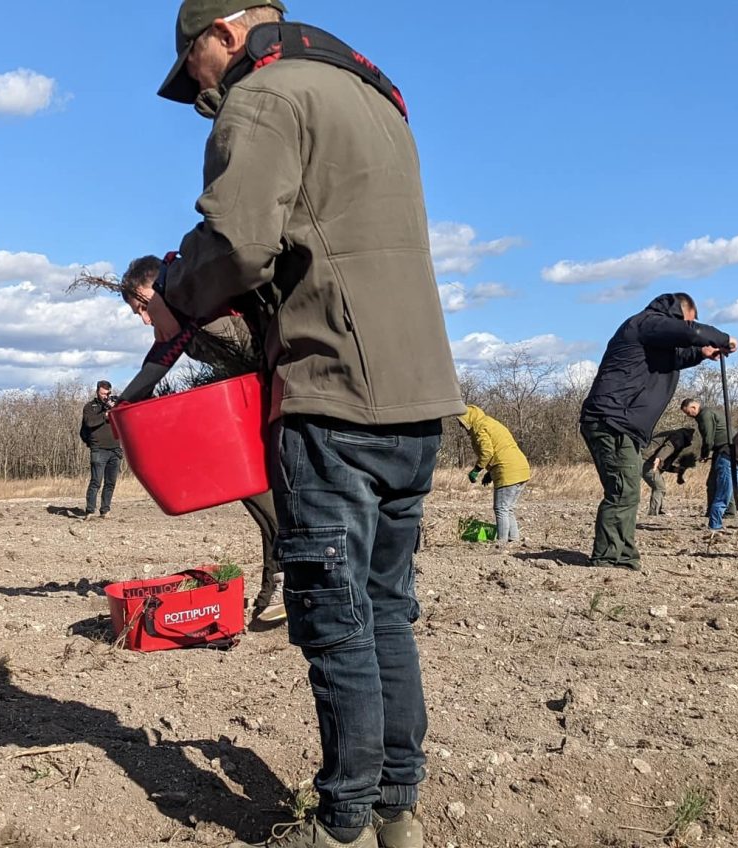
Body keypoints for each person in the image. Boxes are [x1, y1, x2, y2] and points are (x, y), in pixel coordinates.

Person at [149, 2, 465, 844]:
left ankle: (343, 824)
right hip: (417, 392)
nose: (202, 97)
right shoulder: (373, 96)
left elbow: (239, 245)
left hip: (332, 393)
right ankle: (400, 810)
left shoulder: (266, 97)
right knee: (388, 608)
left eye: (196, 77)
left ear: (221, 33)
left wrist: (175, 294)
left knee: (335, 618)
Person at [115, 256, 285, 624]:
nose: (145, 319)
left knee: (275, 505)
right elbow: (157, 361)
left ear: (161, 289)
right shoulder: (187, 321)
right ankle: (274, 587)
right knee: (254, 493)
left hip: (289, 400)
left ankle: (288, 585)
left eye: (144, 308)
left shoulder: (204, 307)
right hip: (257, 402)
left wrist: (125, 407)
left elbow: (160, 360)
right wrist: (123, 409)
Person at [579, 294, 736, 569]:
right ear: (679, 313)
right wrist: (722, 339)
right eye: (690, 319)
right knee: (623, 490)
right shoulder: (647, 324)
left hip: (617, 422)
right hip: (612, 421)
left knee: (625, 490)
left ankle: (620, 555)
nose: (690, 326)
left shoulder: (651, 339)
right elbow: (691, 333)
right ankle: (609, 557)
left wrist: (702, 353)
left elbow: (674, 357)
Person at [678, 398, 738, 531]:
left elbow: (708, 437)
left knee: (718, 486)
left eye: (688, 413)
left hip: (725, 452)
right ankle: (730, 518)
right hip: (732, 453)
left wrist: (704, 453)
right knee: (728, 486)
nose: (689, 416)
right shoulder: (710, 412)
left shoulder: (705, 415)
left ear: (694, 407)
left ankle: (718, 522)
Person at [458, 406, 531, 542]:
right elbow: (501, 449)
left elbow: (487, 452)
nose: (461, 426)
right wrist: (490, 473)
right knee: (508, 509)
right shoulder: (490, 422)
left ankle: (502, 543)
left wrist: (477, 470)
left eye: (462, 423)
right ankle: (513, 540)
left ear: (469, 419)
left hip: (507, 471)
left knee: (501, 508)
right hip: (521, 468)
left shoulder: (479, 428)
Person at [82, 381, 122, 518]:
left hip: (115, 449)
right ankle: (90, 511)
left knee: (110, 482)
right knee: (96, 482)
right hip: (98, 449)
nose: (106, 396)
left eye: (108, 393)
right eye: (103, 393)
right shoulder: (90, 407)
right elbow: (89, 423)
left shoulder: (115, 405)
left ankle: (105, 510)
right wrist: (105, 415)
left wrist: (116, 408)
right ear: (97, 392)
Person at [640, 428, 695, 516]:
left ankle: (657, 510)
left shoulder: (675, 438)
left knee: (659, 485)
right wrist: (659, 458)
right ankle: (654, 513)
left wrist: (676, 470)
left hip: (646, 460)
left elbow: (665, 465)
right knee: (659, 487)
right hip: (646, 461)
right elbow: (669, 446)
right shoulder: (679, 436)